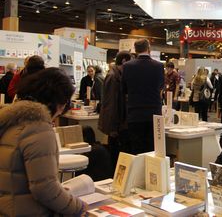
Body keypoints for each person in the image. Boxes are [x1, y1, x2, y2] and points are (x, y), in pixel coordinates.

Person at [0, 67, 86, 216]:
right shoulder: (38, 129)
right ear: (58, 102)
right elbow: (44, 188)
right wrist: (77, 207)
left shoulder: (11, 121)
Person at [122, 39, 164, 154]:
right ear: (148, 48)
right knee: (153, 149)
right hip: (154, 114)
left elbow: (124, 89)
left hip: (135, 114)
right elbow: (161, 86)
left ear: (135, 50)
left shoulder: (127, 66)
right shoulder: (159, 66)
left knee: (136, 149)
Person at [98, 51, 131, 170]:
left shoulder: (116, 75)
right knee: (115, 157)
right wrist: (112, 128)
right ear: (124, 61)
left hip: (117, 125)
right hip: (115, 126)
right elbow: (111, 104)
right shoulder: (113, 77)